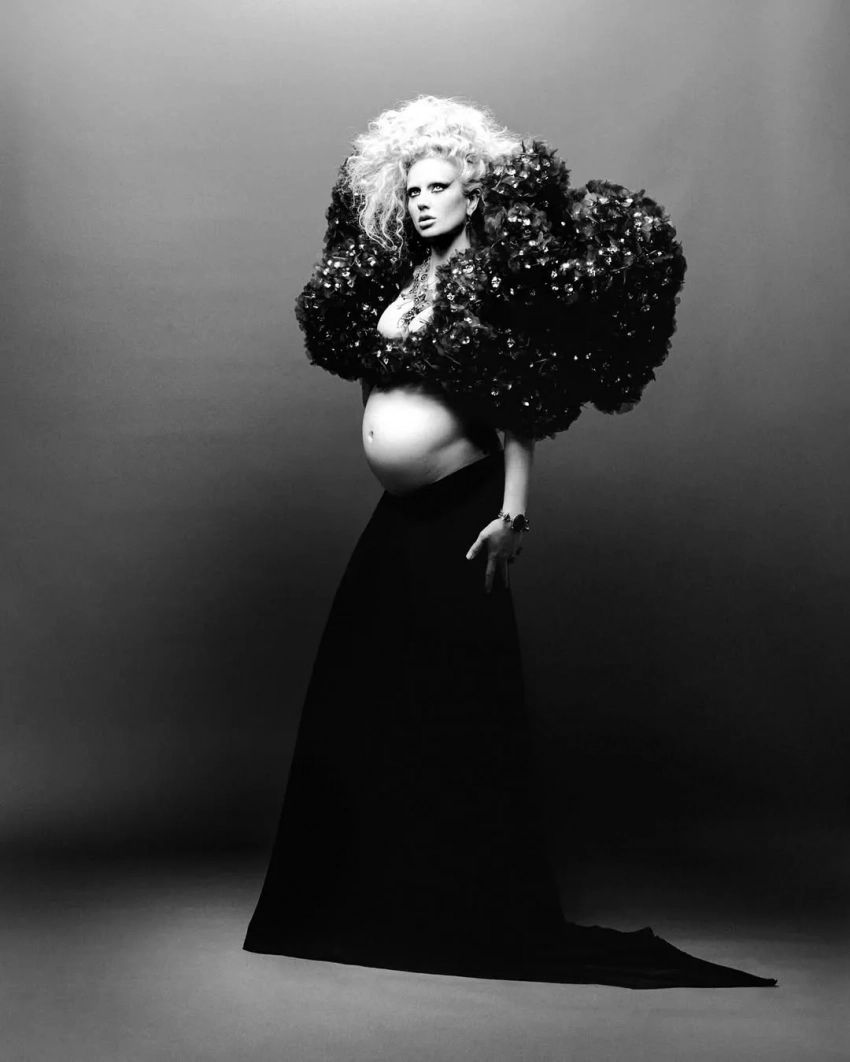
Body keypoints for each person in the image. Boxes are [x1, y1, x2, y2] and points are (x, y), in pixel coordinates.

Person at [243, 96, 776, 989]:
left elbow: (519, 406)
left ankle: (462, 899)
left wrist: (513, 513)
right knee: (362, 689)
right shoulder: (401, 279)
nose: (423, 202)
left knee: (453, 698)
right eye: (413, 189)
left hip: (464, 510)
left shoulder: (492, 281)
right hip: (400, 513)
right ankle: (360, 894)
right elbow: (380, 381)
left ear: (473, 193)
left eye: (439, 188)